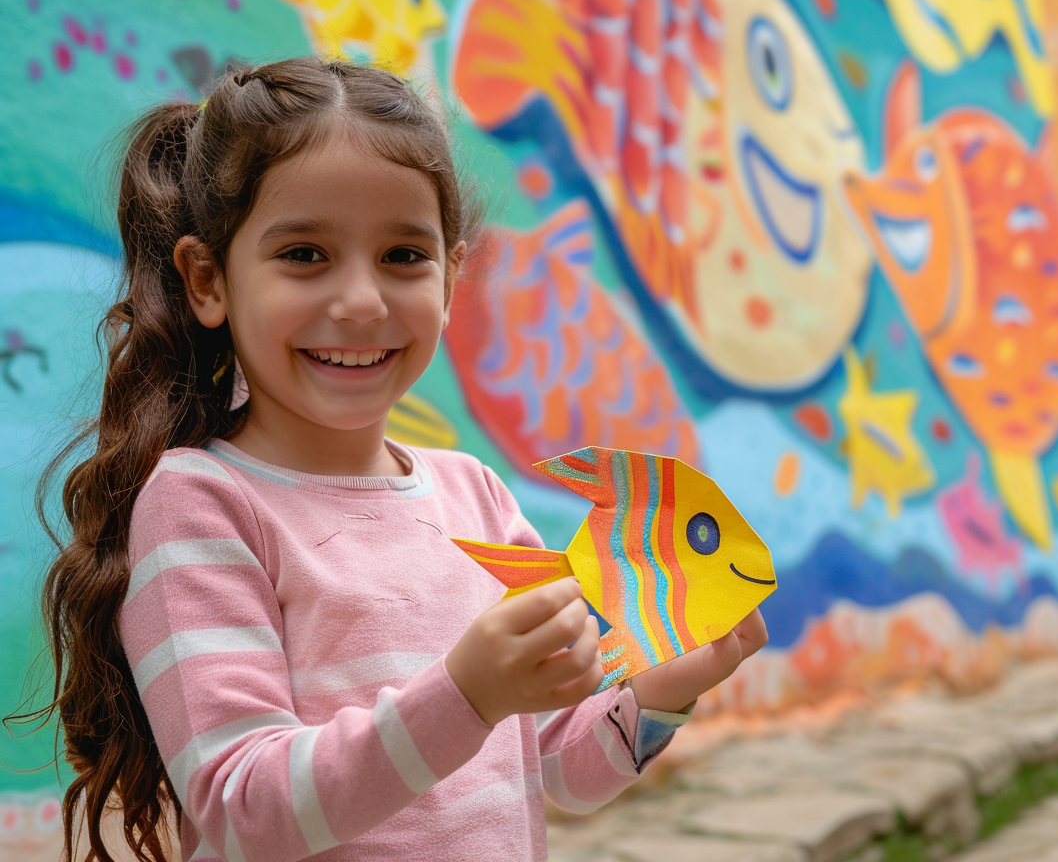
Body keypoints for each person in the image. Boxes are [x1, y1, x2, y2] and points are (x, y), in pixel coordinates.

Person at [30, 57, 768, 862]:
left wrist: (669, 687)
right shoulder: (202, 502)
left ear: (452, 276)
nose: (360, 301)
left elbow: (557, 764)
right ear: (209, 280)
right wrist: (465, 695)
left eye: (404, 256)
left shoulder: (475, 497)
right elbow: (245, 809)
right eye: (304, 255)